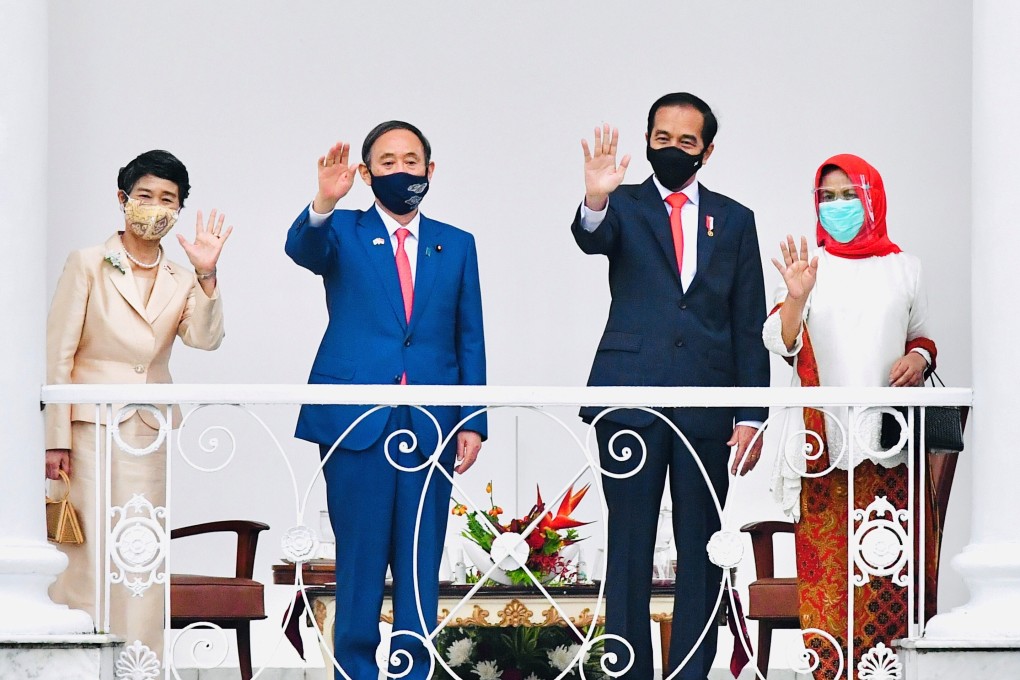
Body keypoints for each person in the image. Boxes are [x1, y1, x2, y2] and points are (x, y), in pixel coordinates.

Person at [571, 93, 769, 680]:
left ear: (707, 150)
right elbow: (591, 237)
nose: (673, 150)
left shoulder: (735, 219)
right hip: (629, 395)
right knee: (629, 541)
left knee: (702, 546)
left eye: (687, 142)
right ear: (648, 139)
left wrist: (751, 412)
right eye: (662, 138)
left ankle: (690, 670)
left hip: (708, 402)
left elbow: (747, 320)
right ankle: (626, 669)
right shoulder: (623, 206)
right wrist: (596, 196)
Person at [285, 121, 486, 680]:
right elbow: (302, 248)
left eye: (413, 160)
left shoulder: (457, 243)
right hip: (355, 422)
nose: (403, 170)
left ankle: (413, 670)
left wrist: (472, 420)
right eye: (389, 162)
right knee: (360, 559)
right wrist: (324, 200)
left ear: (430, 169)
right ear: (367, 173)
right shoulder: (342, 231)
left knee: (422, 559)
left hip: (432, 423)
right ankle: (354, 669)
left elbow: (468, 336)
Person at [45, 149, 231, 657]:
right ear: (123, 199)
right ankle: (79, 661)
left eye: (167, 199)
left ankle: (139, 661)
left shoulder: (181, 275)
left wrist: (208, 275)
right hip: (87, 430)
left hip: (147, 431)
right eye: (145, 195)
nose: (155, 206)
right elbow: (58, 355)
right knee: (85, 554)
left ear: (179, 209)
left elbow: (204, 339)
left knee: (140, 549)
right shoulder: (88, 262)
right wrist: (54, 440)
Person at [763, 153, 937, 679]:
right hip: (822, 446)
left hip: (888, 445)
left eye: (848, 195)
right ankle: (828, 672)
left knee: (885, 572)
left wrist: (918, 359)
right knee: (825, 574)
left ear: (872, 197)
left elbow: (923, 338)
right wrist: (796, 298)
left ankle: (884, 673)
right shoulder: (810, 266)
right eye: (827, 197)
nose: (838, 207)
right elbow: (781, 340)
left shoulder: (904, 267)